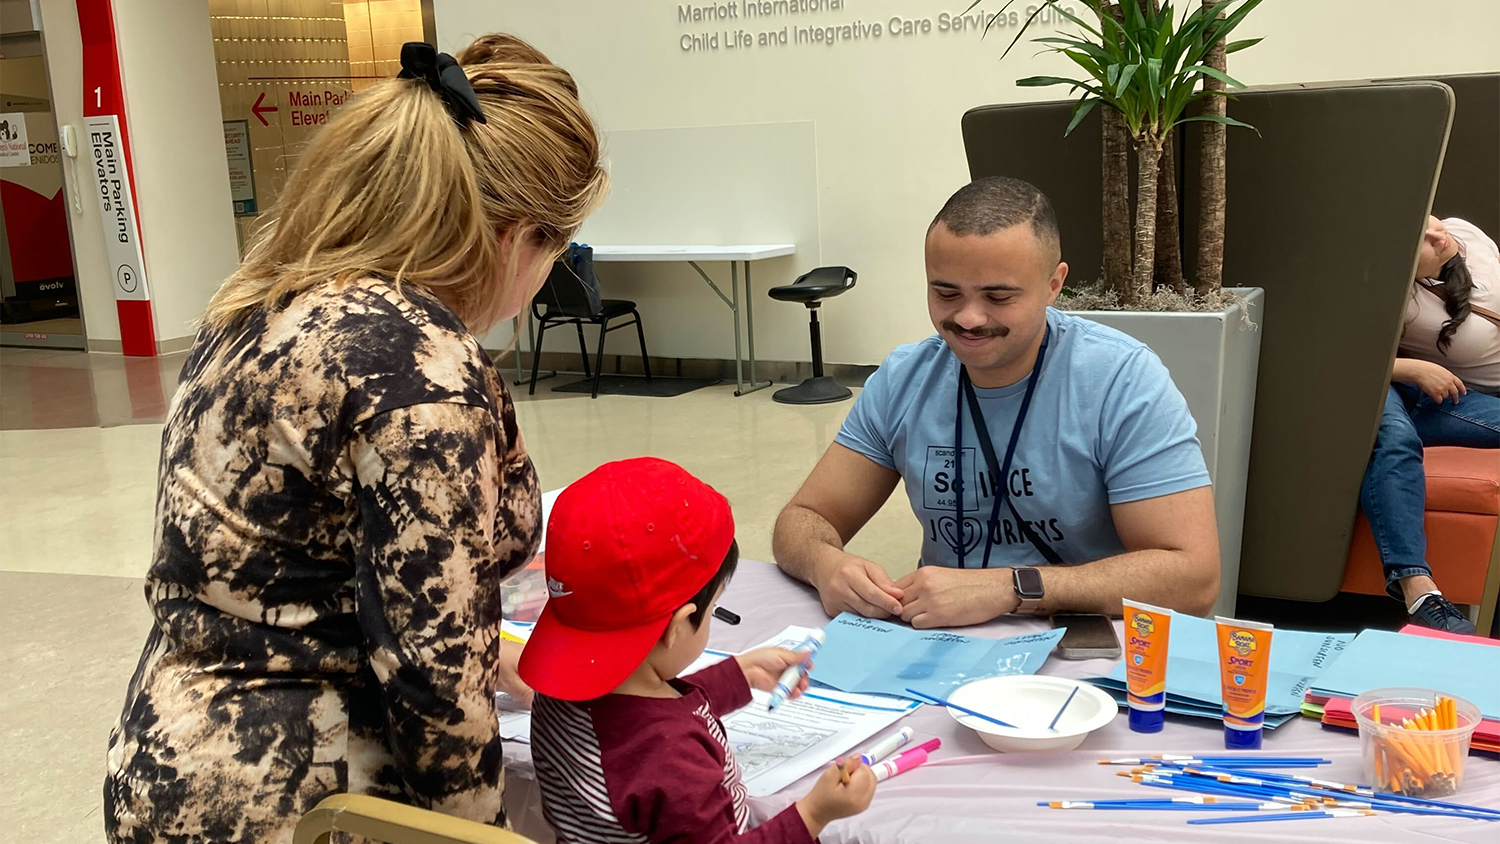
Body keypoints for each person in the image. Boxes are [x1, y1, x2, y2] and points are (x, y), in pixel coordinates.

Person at [104, 36, 609, 844]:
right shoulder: (421, 372)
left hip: (168, 764)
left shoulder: (257, 308)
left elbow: (299, 568)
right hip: (307, 806)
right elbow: (431, 684)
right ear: (518, 237)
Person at [773, 176, 1220, 629]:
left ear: (1053, 285)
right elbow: (803, 519)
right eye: (946, 293)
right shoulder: (905, 379)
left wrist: (1011, 588)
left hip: (1084, 644)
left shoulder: (1120, 380)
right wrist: (826, 564)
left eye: (998, 296)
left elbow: (1194, 579)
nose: (968, 318)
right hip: (944, 642)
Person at [519, 458, 877, 844]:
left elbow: (640, 709)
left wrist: (739, 674)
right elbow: (658, 735)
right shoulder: (674, 763)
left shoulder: (559, 695)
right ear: (678, 627)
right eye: (712, 611)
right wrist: (813, 813)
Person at [1358, 215, 1500, 635]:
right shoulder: (1395, 297)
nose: (1439, 235)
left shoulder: (1465, 232)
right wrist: (1413, 368)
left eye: (1430, 220)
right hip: (1404, 391)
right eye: (1419, 239)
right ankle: (1419, 591)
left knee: (1395, 430)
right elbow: (1343, 356)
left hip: (1436, 399)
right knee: (1393, 437)